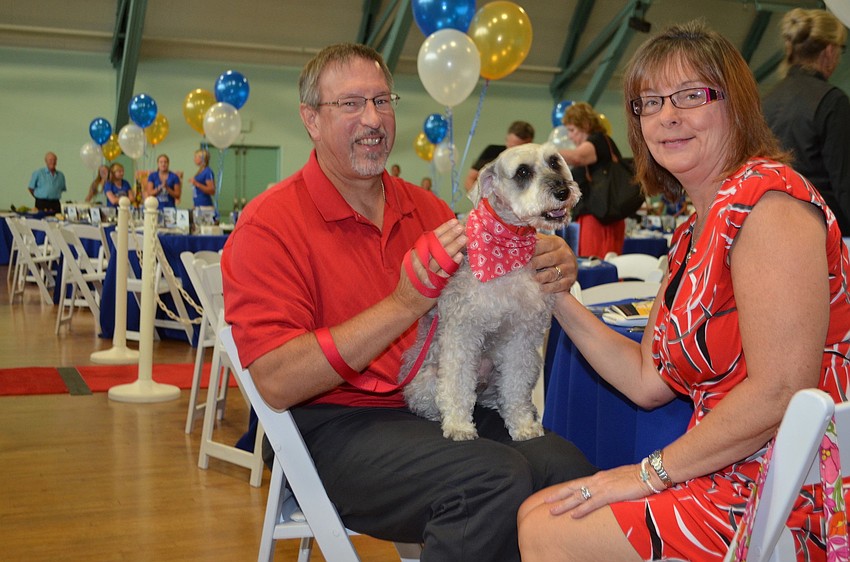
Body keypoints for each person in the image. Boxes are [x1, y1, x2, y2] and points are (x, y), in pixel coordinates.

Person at [221, 43, 596, 562]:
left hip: (428, 402)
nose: (373, 118)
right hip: (332, 424)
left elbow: (504, 290)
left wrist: (550, 260)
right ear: (310, 119)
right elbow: (278, 381)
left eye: (382, 100)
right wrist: (403, 303)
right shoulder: (268, 225)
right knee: (491, 481)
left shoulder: (429, 209)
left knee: (566, 469)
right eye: (350, 104)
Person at [518, 20, 850, 562]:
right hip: (731, 472)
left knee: (548, 530)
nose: (667, 116)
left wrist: (645, 474)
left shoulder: (768, 203)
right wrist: (558, 296)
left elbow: (781, 391)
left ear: (736, 105)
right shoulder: (691, 230)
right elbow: (648, 380)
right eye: (648, 103)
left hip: (791, 490)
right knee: (540, 513)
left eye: (691, 96)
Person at [762, 8, 850, 235]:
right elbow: (845, 184)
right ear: (830, 51)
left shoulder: (766, 101)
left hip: (776, 229)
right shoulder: (832, 102)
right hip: (827, 233)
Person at [558, 102, 627, 257]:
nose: (570, 136)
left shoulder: (598, 140)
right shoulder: (601, 142)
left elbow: (577, 157)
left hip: (599, 221)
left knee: (595, 265)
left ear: (585, 125)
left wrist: (545, 152)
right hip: (599, 217)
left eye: (572, 130)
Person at [464, 120, 534, 191]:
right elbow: (470, 180)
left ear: (530, 144)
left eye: (519, 148)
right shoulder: (492, 152)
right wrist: (480, 201)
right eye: (512, 147)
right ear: (506, 139)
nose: (513, 152)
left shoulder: (534, 161)